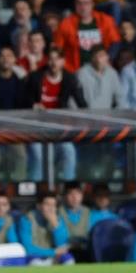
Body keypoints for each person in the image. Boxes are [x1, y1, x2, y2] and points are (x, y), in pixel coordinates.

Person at [24, 47, 80, 181]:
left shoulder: (69, 78)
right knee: (39, 156)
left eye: (57, 59)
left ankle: (69, 184)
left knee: (69, 151)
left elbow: (81, 101)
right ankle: (37, 185)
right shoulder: (35, 77)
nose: (54, 63)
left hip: (60, 127)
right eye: (51, 59)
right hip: (37, 127)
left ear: (63, 61)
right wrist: (33, 105)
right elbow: (23, 99)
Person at [53, 0, 121, 73]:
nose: (83, 7)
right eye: (79, 3)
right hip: (75, 71)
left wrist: (108, 59)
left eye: (86, 3)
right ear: (75, 5)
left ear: (92, 4)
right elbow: (57, 48)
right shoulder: (65, 24)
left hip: (101, 69)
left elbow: (115, 42)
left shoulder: (105, 20)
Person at [17, 192, 74, 265]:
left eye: (53, 205)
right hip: (35, 257)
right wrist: (53, 252)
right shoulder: (27, 220)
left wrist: (56, 226)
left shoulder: (58, 220)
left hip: (53, 257)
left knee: (68, 259)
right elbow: (28, 248)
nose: (50, 208)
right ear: (39, 206)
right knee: (35, 263)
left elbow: (63, 246)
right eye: (47, 204)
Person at [77, 45, 123, 109]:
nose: (102, 59)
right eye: (99, 56)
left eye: (104, 56)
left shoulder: (112, 73)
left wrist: (118, 114)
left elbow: (120, 97)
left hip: (107, 116)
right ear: (92, 58)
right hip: (87, 116)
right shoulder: (81, 74)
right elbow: (73, 100)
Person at [59, 182, 93, 258]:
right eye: (70, 194)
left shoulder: (89, 212)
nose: (74, 197)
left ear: (82, 195)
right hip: (65, 252)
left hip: (85, 250)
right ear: (64, 196)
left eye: (77, 193)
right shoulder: (58, 213)